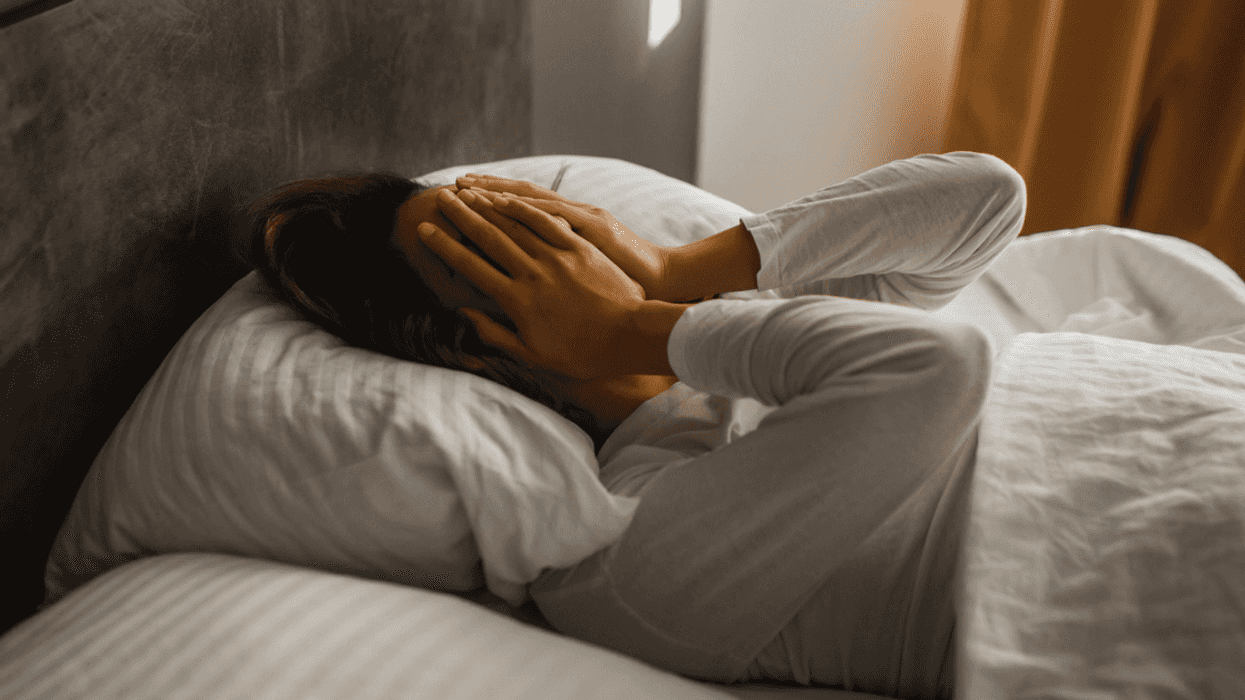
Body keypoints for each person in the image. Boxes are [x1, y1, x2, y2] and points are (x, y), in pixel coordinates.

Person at [250, 152, 1027, 699]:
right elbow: (931, 367)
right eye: (486, 248)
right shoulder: (619, 568)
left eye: (513, 207)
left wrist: (672, 274)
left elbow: (987, 197)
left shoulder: (725, 317)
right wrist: (626, 329)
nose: (546, 226)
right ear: (475, 351)